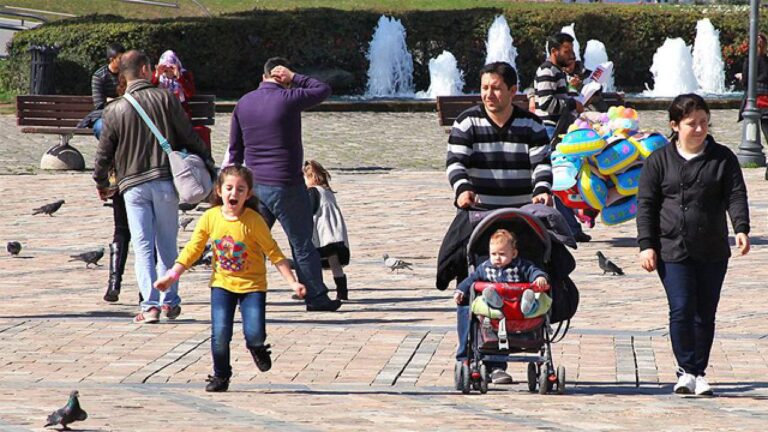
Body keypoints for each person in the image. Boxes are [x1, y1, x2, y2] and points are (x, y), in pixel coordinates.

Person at [441, 61, 552, 385]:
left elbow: (542, 164)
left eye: (496, 88)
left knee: (524, 282)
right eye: (485, 88)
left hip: (522, 217)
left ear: (513, 91)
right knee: (476, 285)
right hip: (479, 215)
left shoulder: (531, 124)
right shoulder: (467, 122)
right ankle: (472, 356)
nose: (489, 94)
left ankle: (512, 349)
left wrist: (542, 190)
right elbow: (456, 162)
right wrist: (462, 189)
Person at [637, 93, 750, 396]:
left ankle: (699, 371)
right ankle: (686, 369)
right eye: (692, 123)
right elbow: (646, 205)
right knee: (682, 308)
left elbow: (735, 194)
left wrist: (741, 228)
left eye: (704, 122)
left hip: (712, 247)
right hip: (671, 248)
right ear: (675, 125)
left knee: (705, 313)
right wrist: (646, 244)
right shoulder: (659, 161)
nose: (700, 129)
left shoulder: (723, 158)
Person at [155, 165, 306, 392]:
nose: (234, 193)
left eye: (240, 189)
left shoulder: (254, 221)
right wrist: (172, 275)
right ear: (219, 190)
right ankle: (221, 375)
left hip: (252, 286)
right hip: (222, 285)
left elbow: (274, 253)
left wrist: (292, 282)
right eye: (229, 188)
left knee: (254, 333)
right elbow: (193, 249)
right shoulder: (210, 217)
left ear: (248, 194)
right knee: (220, 334)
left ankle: (257, 347)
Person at [93, 50, 215, 324]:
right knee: (167, 244)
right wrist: (207, 163)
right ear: (146, 70)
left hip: (132, 185)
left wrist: (101, 182)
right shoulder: (165, 98)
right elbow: (188, 135)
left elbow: (103, 154)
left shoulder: (114, 109)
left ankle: (149, 306)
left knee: (143, 246)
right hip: (164, 181)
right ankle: (169, 301)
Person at [227, 57, 341, 312]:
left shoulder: (244, 103)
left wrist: (233, 187)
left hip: (255, 186)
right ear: (282, 77)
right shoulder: (288, 98)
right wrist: (295, 77)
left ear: (263, 76)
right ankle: (316, 297)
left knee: (250, 243)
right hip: (287, 184)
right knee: (302, 244)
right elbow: (323, 89)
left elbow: (235, 149)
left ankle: (240, 295)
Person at [534, 32, 590, 243]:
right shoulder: (548, 70)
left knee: (560, 179)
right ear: (554, 51)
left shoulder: (557, 72)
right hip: (550, 130)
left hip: (556, 130)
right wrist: (572, 103)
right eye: (567, 51)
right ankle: (568, 227)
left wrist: (574, 95)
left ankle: (569, 226)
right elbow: (546, 103)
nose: (571, 55)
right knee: (557, 179)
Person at [454, 229, 550, 317]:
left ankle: (528, 304)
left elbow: (533, 271)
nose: (497, 258)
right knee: (482, 301)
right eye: (493, 254)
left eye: (502, 254)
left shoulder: (521, 266)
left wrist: (539, 277)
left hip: (518, 300)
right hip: (498, 302)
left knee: (537, 299)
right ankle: (492, 300)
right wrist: (461, 289)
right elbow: (471, 279)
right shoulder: (485, 268)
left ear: (513, 254)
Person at [303, 160, 350, 301]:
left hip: (323, 232)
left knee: (314, 260)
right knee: (334, 261)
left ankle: (315, 289)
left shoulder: (313, 191)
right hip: (334, 232)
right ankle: (342, 291)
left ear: (312, 177)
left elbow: (310, 211)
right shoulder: (327, 191)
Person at [151, 50, 211, 151]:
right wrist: (157, 75)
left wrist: (179, 78)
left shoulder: (184, 75)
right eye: (165, 69)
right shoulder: (156, 77)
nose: (168, 71)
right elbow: (148, 92)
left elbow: (190, 93)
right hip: (161, 116)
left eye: (171, 68)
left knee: (199, 131)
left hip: (181, 116)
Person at [736, 33, 768, 147]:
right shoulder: (765, 59)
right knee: (765, 125)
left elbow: (746, 81)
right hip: (765, 96)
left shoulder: (750, 60)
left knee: (752, 126)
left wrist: (742, 78)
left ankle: (752, 147)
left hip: (755, 97)